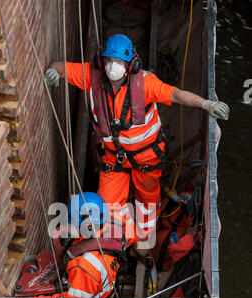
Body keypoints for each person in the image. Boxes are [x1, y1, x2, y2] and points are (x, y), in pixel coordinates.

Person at [44, 34, 229, 254]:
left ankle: (143, 244)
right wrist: (53, 72)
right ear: (102, 61)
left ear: (131, 65)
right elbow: (60, 66)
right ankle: (119, 243)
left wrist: (206, 104)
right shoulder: (92, 77)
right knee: (109, 207)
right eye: (109, 61)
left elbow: (177, 95)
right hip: (114, 158)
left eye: (120, 62)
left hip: (147, 159)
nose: (113, 67)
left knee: (147, 204)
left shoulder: (146, 84)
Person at [37, 192, 137, 298]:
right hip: (104, 287)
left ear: (88, 226)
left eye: (75, 225)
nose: (72, 227)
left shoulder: (84, 267)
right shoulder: (116, 225)